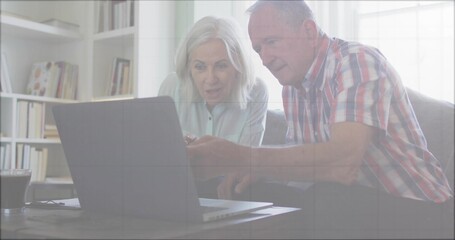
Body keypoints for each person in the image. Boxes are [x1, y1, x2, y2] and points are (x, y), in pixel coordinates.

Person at [186, 0, 453, 236]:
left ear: (309, 32)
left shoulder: (356, 62)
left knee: (327, 198)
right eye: (258, 49)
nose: (265, 59)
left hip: (425, 212)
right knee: (241, 192)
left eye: (271, 42)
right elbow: (304, 160)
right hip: (353, 203)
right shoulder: (292, 87)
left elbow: (343, 163)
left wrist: (240, 156)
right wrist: (254, 171)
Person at [158, 16, 268, 197]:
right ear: (188, 68)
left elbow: (244, 165)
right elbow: (161, 160)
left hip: (229, 195)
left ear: (238, 65)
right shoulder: (172, 86)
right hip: (176, 192)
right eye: (200, 67)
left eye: (221, 66)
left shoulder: (256, 92)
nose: (210, 79)